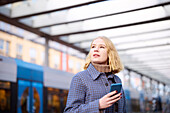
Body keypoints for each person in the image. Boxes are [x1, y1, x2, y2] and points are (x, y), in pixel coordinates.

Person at [64, 36, 126, 113]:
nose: (96, 49)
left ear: (110, 53)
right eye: (93, 47)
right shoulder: (80, 78)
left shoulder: (117, 80)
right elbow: (70, 111)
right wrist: (98, 105)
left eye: (102, 47)